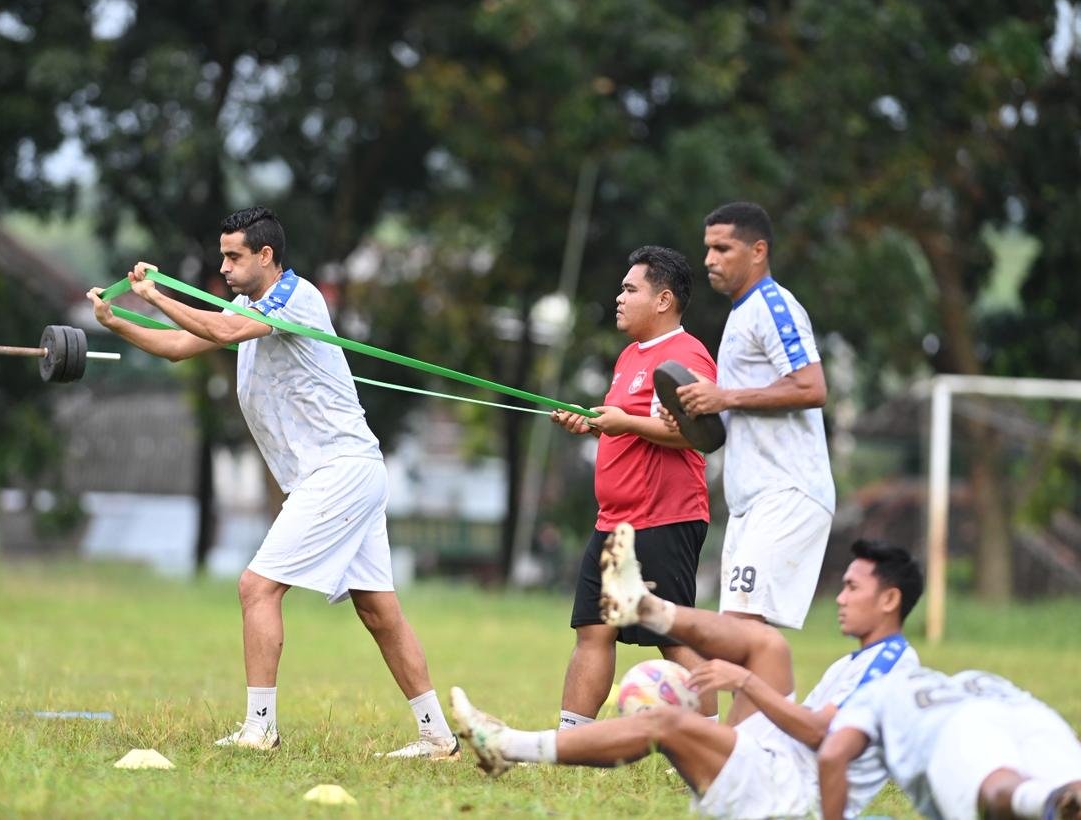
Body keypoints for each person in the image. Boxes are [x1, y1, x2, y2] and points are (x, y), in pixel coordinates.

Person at [86, 206, 458, 759]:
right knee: (379, 611)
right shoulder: (244, 306)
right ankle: (438, 737)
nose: (225, 267)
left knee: (256, 587)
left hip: (340, 470)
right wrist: (119, 322)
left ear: (266, 256)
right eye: (222, 256)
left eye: (234, 256)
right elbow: (182, 345)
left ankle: (260, 728)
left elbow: (224, 329)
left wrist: (157, 296)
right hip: (341, 473)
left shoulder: (295, 297)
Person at [452, 528, 923, 820]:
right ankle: (647, 608)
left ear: (889, 601)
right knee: (767, 644)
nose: (840, 599)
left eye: (852, 589)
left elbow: (823, 736)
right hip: (779, 761)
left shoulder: (889, 665)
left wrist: (746, 683)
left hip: (789, 799)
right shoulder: (862, 657)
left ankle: (507, 746)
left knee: (670, 724)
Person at [550, 246, 718, 728]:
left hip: (664, 516)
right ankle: (573, 740)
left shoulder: (687, 355)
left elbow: (699, 431)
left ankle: (716, 743)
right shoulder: (628, 357)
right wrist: (595, 424)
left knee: (673, 634)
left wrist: (625, 422)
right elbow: (631, 423)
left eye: (630, 289)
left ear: (663, 300)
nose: (618, 298)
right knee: (593, 628)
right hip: (614, 520)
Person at [668, 201, 835, 630]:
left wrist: (723, 397)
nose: (709, 260)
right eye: (707, 249)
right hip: (752, 501)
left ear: (757, 251)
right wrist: (691, 420)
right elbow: (732, 416)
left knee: (742, 629)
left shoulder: (773, 306)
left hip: (788, 491)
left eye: (722, 248)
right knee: (742, 637)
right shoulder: (741, 314)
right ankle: (775, 701)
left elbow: (811, 387)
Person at [820, 665, 1081, 820]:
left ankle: (1045, 798)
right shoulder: (974, 675)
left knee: (998, 791)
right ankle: (1054, 796)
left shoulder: (876, 686)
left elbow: (830, 751)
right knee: (1071, 786)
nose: (841, 599)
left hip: (956, 724)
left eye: (851, 588)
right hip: (1026, 709)